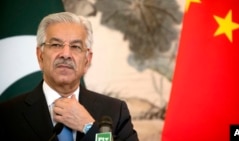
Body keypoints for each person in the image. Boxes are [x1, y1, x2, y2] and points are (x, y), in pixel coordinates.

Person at [0, 12, 139, 141]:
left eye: (75, 46)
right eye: (56, 44)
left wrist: (89, 127)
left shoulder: (115, 111)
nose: (65, 54)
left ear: (87, 60)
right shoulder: (7, 115)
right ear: (40, 56)